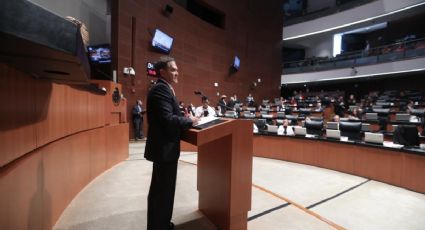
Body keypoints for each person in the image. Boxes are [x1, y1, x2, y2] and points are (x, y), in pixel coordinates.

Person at [144, 56, 198, 230]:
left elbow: (167, 115)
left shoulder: (165, 88)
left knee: (161, 191)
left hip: (164, 149)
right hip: (164, 149)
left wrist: (184, 118)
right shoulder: (161, 89)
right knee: (163, 193)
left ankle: (159, 224)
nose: (177, 72)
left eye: (177, 69)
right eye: (173, 69)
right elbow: (167, 119)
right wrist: (190, 122)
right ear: (162, 72)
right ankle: (159, 226)